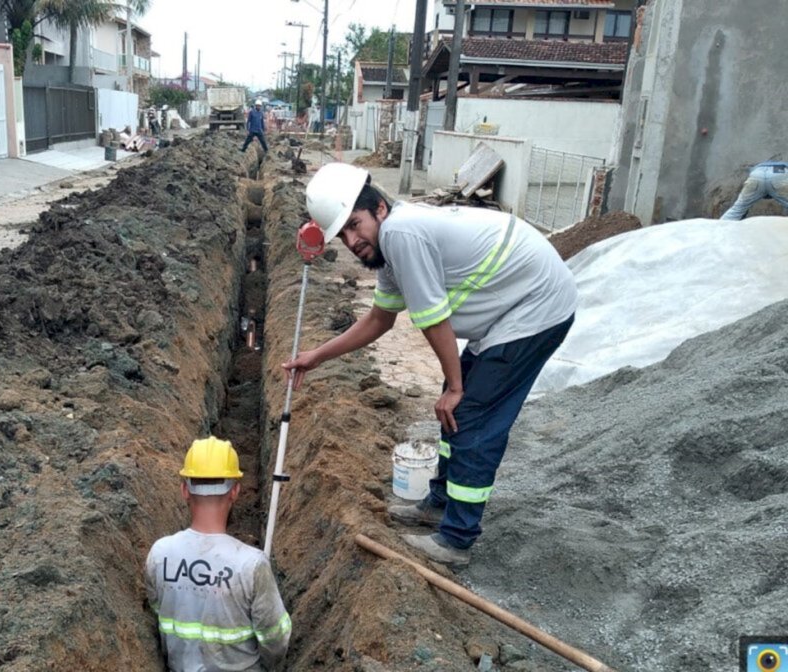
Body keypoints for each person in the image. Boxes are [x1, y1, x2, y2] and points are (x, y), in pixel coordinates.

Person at [282, 163, 577, 569]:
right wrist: (316, 356)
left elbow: (432, 318)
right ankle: (438, 503)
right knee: (455, 405)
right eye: (343, 234)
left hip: (536, 305)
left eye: (355, 225)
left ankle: (456, 538)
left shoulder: (402, 233)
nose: (353, 241)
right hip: (510, 308)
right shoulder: (387, 250)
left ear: (379, 209)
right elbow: (379, 320)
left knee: (471, 414)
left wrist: (455, 387)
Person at [145, 437, 291, 671]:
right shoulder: (251, 564)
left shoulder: (160, 554)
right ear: (235, 491)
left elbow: (157, 611)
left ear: (185, 490)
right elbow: (276, 639)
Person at [720, 160, 788, 220]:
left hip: (756, 173)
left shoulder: (758, 166)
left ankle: (718, 230)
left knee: (738, 209)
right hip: (780, 173)